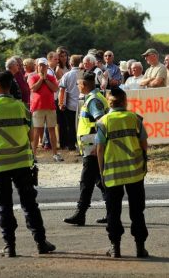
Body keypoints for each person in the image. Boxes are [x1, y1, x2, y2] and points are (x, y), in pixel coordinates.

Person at [0, 71, 55, 257]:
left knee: (4, 206)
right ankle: (41, 243)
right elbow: (30, 134)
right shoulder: (22, 108)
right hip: (22, 162)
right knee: (30, 205)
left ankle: (9, 246)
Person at [96, 87, 149, 258]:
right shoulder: (135, 118)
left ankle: (115, 247)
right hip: (134, 172)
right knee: (137, 211)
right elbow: (143, 144)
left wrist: (101, 172)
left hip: (113, 174)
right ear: (125, 101)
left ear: (108, 102)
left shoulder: (103, 122)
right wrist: (143, 163)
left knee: (113, 211)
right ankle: (140, 247)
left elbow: (100, 150)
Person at [63, 71, 108, 226]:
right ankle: (111, 211)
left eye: (78, 84)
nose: (77, 86)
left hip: (93, 147)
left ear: (84, 84)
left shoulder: (93, 100)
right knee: (99, 181)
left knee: (86, 181)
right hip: (90, 146)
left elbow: (101, 121)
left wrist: (97, 145)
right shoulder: (91, 98)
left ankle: (80, 213)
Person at [27, 58, 64, 162]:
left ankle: (55, 154)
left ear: (47, 67)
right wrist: (41, 79)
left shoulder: (51, 78)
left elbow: (55, 89)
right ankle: (33, 155)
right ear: (37, 67)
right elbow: (34, 88)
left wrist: (46, 79)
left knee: (52, 130)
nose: (42, 67)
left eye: (44, 65)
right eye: (40, 65)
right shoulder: (32, 77)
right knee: (37, 131)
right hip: (37, 107)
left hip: (50, 107)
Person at [58, 55, 81, 151]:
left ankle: (71, 145)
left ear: (71, 63)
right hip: (82, 105)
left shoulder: (66, 75)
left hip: (70, 105)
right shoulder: (83, 73)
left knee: (70, 126)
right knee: (81, 126)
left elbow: (62, 90)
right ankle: (81, 144)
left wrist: (60, 103)